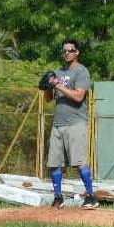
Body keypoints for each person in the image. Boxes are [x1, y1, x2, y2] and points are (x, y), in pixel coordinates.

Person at [43, 38, 98, 209]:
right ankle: (58, 197)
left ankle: (91, 197)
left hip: (76, 123)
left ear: (77, 52)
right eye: (64, 50)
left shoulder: (81, 72)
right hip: (58, 123)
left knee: (79, 161)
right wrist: (48, 86)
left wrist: (58, 86)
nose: (67, 53)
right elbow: (49, 99)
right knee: (54, 162)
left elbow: (79, 96)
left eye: (70, 50)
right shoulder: (58, 72)